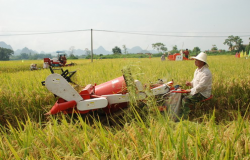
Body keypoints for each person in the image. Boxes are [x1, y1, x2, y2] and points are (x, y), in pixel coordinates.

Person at [180, 52, 212, 120]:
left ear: (202, 62)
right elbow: (195, 82)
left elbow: (202, 86)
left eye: (197, 60)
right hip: (197, 91)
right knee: (180, 96)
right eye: (195, 60)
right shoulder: (197, 70)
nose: (195, 61)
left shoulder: (206, 72)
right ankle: (185, 113)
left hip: (202, 93)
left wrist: (191, 90)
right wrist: (190, 84)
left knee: (185, 100)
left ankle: (185, 118)